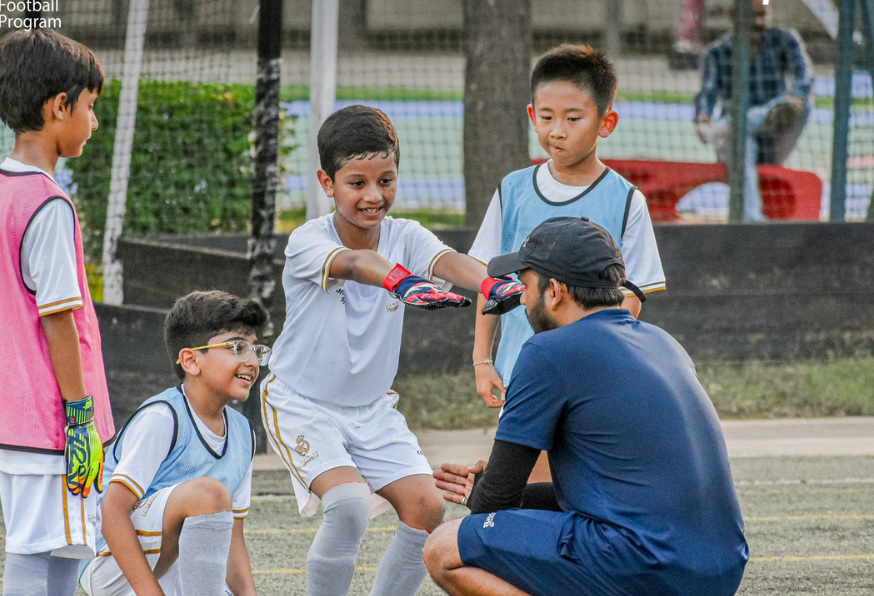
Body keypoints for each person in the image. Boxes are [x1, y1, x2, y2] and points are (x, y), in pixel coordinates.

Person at [261, 104, 522, 596]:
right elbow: (355, 263)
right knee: (349, 506)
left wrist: (492, 283)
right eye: (356, 183)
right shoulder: (307, 241)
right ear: (326, 182)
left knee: (428, 509)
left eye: (386, 180)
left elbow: (448, 260)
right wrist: (401, 281)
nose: (374, 195)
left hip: (372, 409)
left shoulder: (406, 233)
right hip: (301, 404)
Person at [424, 216, 749, 596]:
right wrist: (496, 490)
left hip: (644, 565)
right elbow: (611, 495)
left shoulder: (547, 351)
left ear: (555, 291)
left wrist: (484, 490)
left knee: (444, 547)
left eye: (525, 286)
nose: (522, 298)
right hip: (720, 569)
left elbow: (495, 501)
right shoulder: (664, 342)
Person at [0, 28, 113, 596]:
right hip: (49, 419)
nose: (93, 122)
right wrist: (80, 419)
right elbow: (58, 318)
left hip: (15, 412)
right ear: (59, 107)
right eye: (90, 107)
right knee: (35, 553)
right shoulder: (47, 203)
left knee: (62, 549)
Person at [470, 44, 665, 411]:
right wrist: (483, 360)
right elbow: (488, 280)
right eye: (546, 117)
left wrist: (595, 358)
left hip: (593, 382)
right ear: (532, 116)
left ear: (606, 123)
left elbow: (632, 295)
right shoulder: (511, 190)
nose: (557, 131)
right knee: (524, 450)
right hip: (520, 375)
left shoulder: (626, 200)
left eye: (573, 119)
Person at [79, 291, 265, 596]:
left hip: (172, 566)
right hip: (111, 562)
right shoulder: (162, 417)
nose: (252, 361)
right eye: (237, 347)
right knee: (209, 493)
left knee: (212, 502)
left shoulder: (244, 433)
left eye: (255, 348)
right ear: (191, 360)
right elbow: (112, 511)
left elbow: (233, 537)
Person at [694, 0, 814, 221]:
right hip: (736, 144)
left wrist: (792, 99)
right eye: (751, 16)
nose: (758, 22)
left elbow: (804, 76)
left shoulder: (784, 39)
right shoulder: (716, 52)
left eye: (762, 15)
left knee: (803, 103)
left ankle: (730, 125)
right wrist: (702, 118)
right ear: (733, 15)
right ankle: (752, 220)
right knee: (740, 139)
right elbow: (707, 92)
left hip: (775, 131)